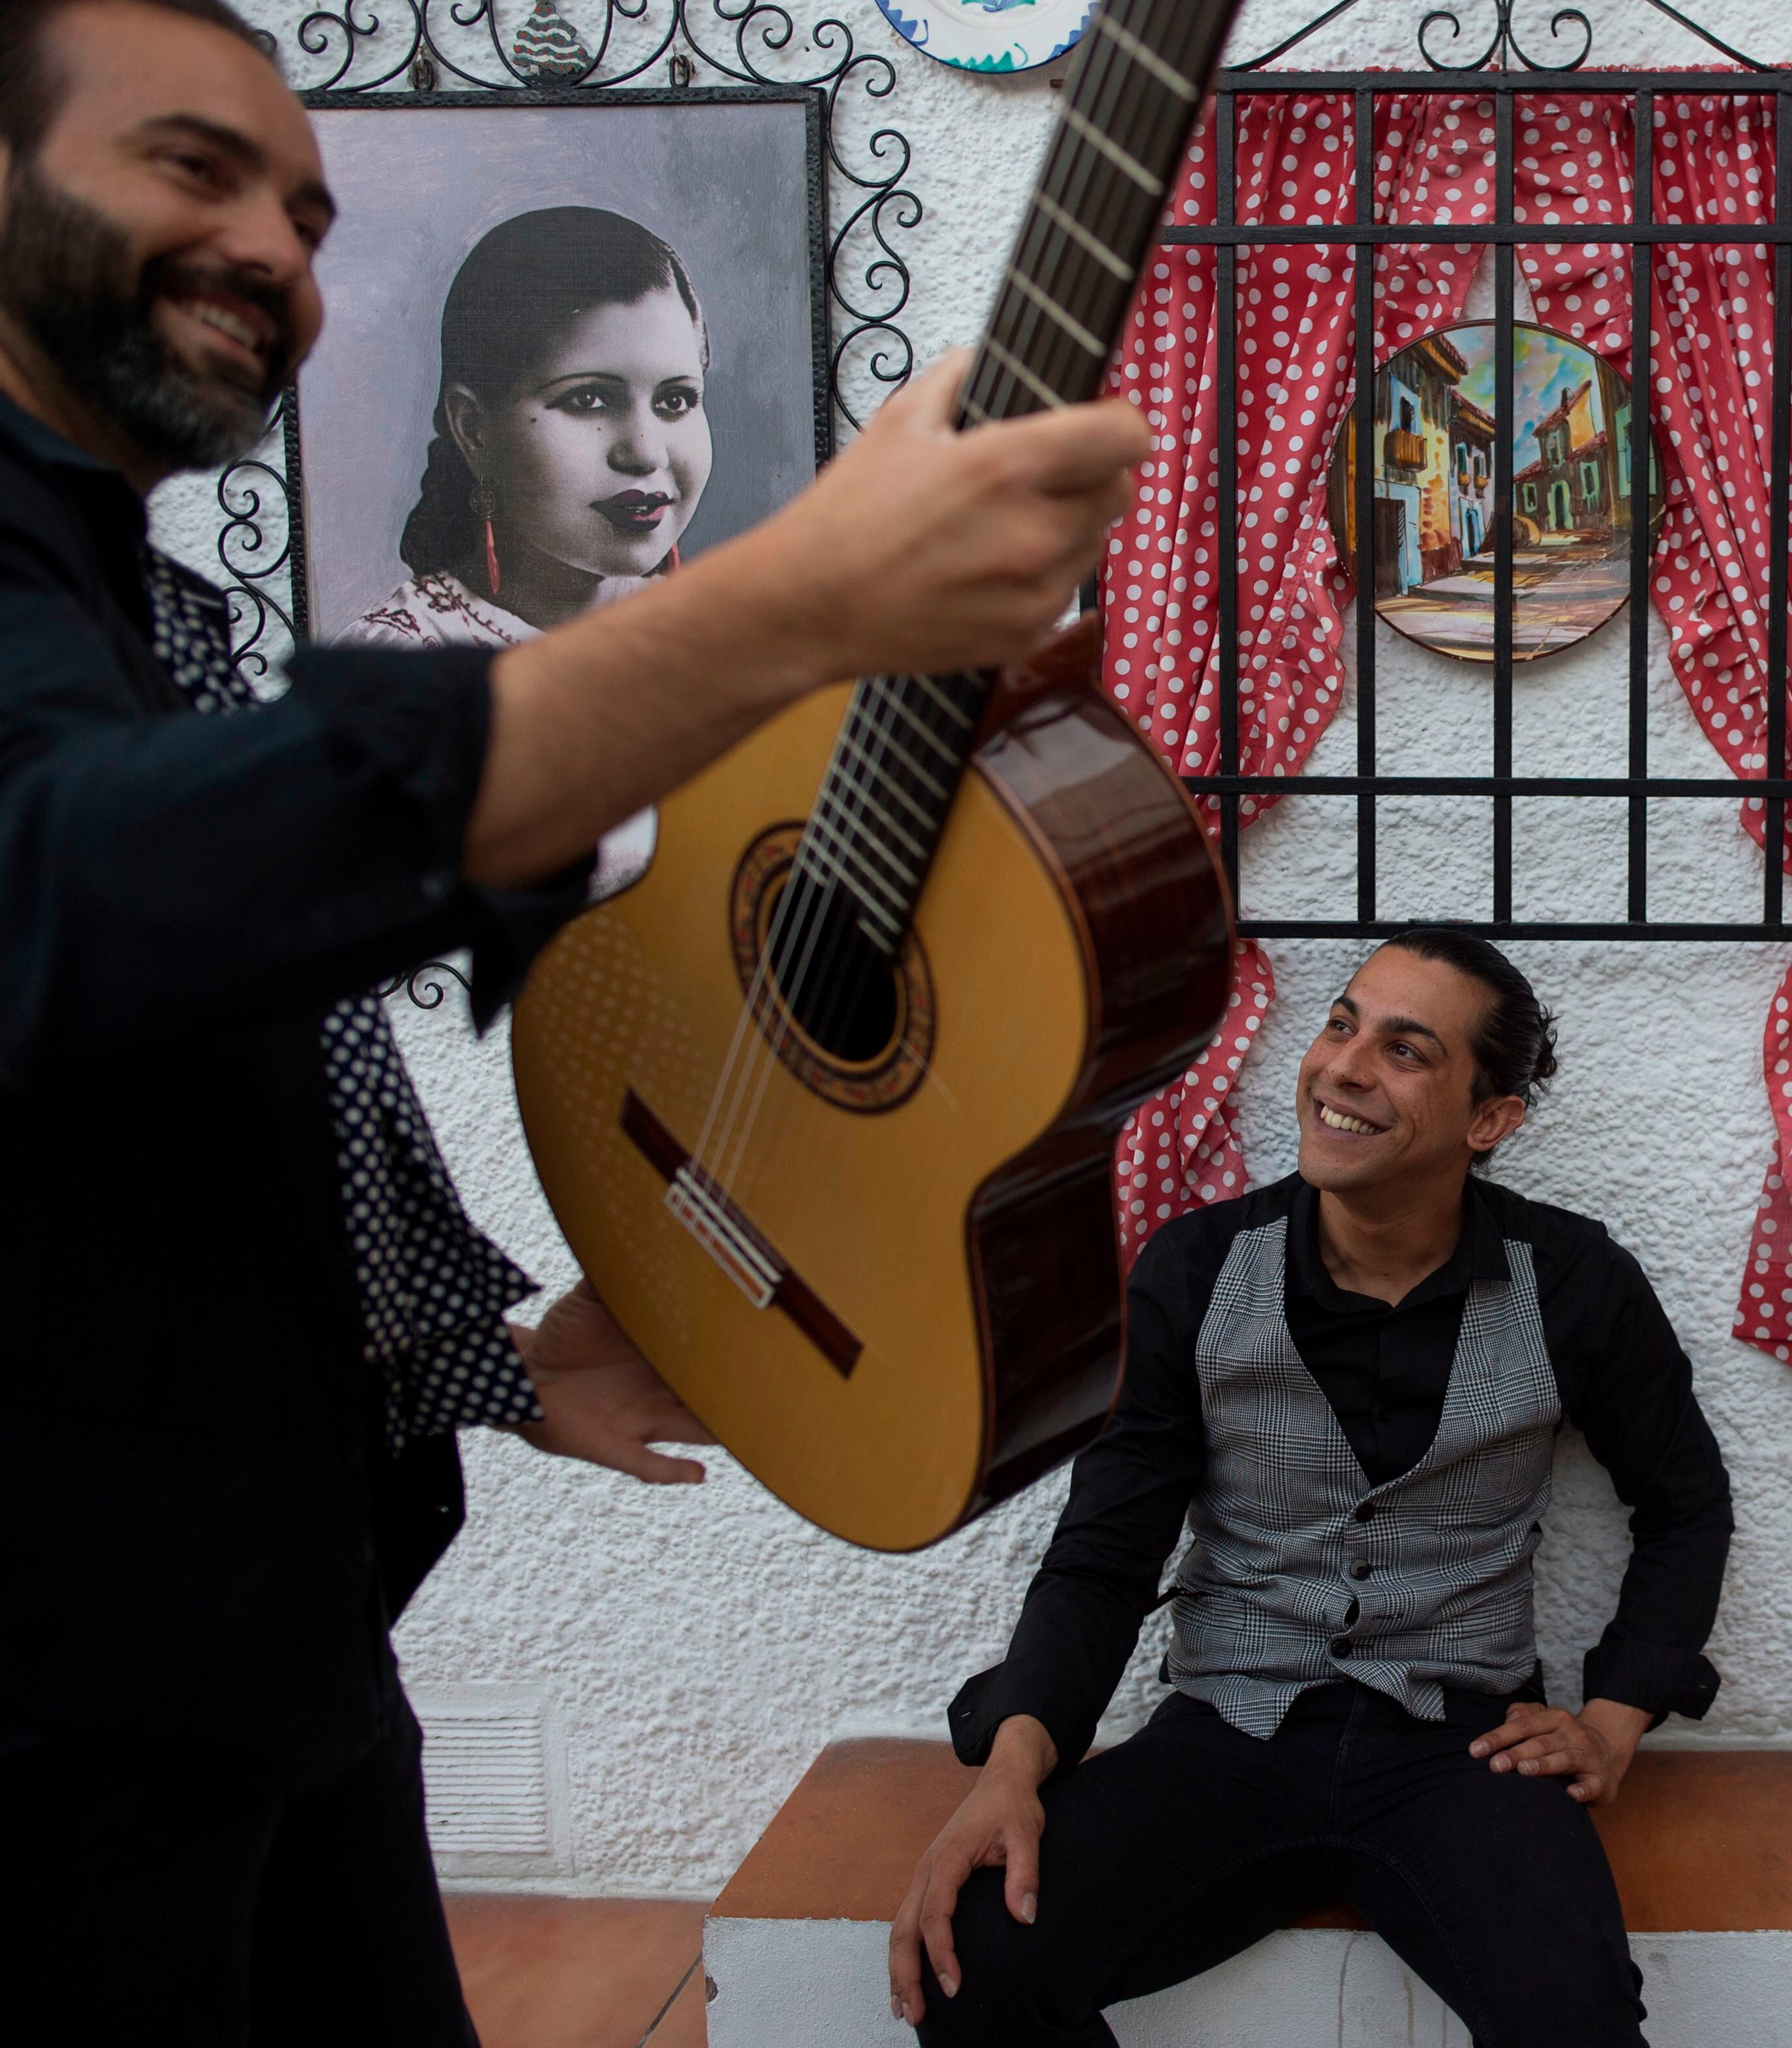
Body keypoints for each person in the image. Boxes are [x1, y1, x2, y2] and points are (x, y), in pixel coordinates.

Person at [0, 0, 1149, 2038]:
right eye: (196, 166)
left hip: (280, 1641)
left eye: (308, 206)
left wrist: (492, 1356)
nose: (278, 246)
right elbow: (75, 892)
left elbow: (193, 1080)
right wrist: (801, 596)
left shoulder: (139, 597)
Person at [890, 932, 1734, 2048]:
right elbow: (1105, 1547)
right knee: (975, 1963)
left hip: (1464, 1749)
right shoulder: (1194, 1269)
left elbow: (1684, 1503)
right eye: (1340, 1024)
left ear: (1489, 1121)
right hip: (1225, 1735)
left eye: (1404, 1050)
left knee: (1569, 2018)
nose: (1342, 1066)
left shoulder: (1574, 1282)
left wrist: (1614, 1721)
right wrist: (1013, 1768)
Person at [339, 205, 719, 894]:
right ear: (474, 429)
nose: (645, 451)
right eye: (590, 399)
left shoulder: (735, 638)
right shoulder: (397, 680)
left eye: (675, 401)